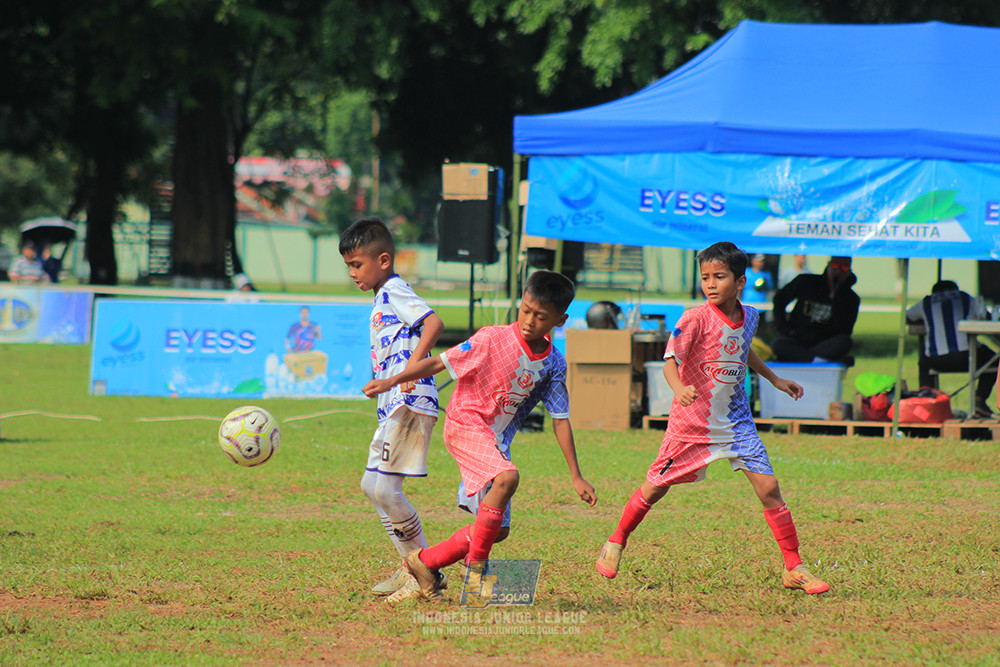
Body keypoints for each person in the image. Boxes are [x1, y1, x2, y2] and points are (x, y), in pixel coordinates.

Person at [595, 241, 829, 595]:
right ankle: (615, 541)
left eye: (719, 277)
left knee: (769, 488)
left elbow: (743, 349)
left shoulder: (750, 316)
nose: (710, 284)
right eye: (705, 277)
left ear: (740, 281)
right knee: (656, 487)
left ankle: (794, 567)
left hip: (736, 423)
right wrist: (679, 388)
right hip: (692, 424)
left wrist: (775, 380)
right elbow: (670, 361)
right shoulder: (694, 318)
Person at [363, 269, 598, 600]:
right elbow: (439, 363)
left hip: (496, 442)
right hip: (465, 423)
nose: (529, 321)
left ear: (560, 320)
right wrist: (392, 380)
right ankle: (475, 572)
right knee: (507, 478)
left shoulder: (554, 365)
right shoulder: (491, 338)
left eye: (541, 316)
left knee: (497, 530)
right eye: (526, 310)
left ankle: (424, 563)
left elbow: (560, 419)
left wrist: (576, 476)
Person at [339, 216, 445, 602]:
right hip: (393, 401)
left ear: (383, 260)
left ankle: (424, 573)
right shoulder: (381, 297)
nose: (352, 273)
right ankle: (413, 567)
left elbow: (433, 324)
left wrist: (409, 371)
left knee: (386, 488)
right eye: (348, 266)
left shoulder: (395, 289)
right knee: (372, 486)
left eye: (356, 264)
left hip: (409, 400)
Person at [907, 280, 995, 418]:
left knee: (923, 363)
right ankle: (979, 400)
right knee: (994, 360)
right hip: (967, 357)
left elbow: (908, 317)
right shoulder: (965, 298)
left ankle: (928, 401)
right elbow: (985, 316)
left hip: (936, 359)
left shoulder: (926, 302)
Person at [770, 256, 860, 364]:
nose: (838, 270)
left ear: (849, 271)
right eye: (835, 265)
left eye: (844, 267)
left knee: (845, 342)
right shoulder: (806, 282)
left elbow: (845, 331)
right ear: (829, 265)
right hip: (798, 339)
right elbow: (779, 299)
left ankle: (807, 358)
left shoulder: (851, 298)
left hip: (824, 343)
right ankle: (816, 360)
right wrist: (783, 327)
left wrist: (837, 299)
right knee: (778, 344)